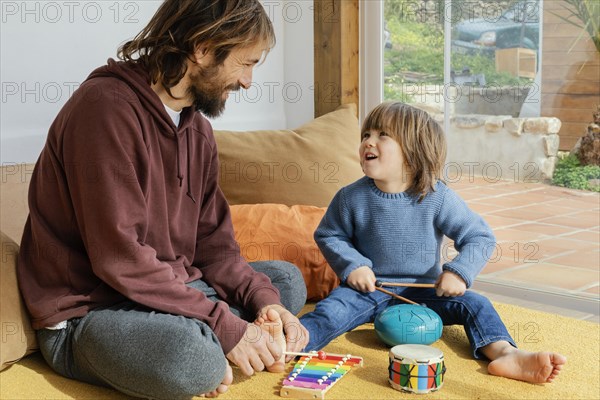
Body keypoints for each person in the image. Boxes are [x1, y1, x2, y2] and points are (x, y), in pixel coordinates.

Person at [17, 1, 309, 399]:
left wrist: (263, 306)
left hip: (168, 293)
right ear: (203, 48)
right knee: (193, 358)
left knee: (282, 284)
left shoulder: (198, 131)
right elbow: (119, 258)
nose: (248, 82)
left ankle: (210, 341)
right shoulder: (104, 109)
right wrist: (226, 327)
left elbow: (216, 248)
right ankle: (204, 349)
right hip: (93, 312)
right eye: (245, 63)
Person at [299, 101, 567, 384]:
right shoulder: (349, 197)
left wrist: (458, 272)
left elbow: (480, 236)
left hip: (425, 290)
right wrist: (353, 266)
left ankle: (505, 353)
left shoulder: (437, 196)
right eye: (366, 134)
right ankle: (287, 342)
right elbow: (329, 234)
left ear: (413, 150)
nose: (369, 141)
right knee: (331, 312)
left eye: (382, 135)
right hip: (369, 288)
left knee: (477, 305)